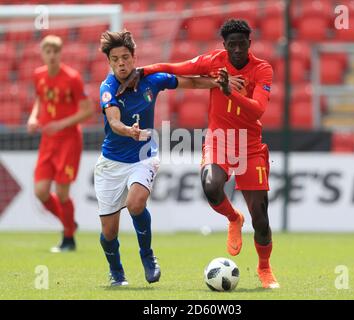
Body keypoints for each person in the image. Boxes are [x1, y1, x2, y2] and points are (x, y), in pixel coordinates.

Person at [117, 19, 279, 289]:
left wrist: (227, 90)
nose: (237, 49)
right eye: (232, 45)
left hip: (250, 145)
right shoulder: (214, 62)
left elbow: (258, 110)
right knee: (211, 185)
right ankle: (233, 218)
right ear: (224, 45)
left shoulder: (262, 69)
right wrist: (141, 70)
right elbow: (175, 67)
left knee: (261, 218)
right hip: (218, 141)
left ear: (249, 44)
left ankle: (264, 268)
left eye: (242, 44)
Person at [96, 30, 227, 286]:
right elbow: (113, 122)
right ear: (109, 62)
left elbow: (190, 82)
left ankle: (147, 256)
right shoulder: (108, 87)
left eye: (125, 57)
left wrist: (218, 83)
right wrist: (128, 130)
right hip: (111, 162)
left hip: (144, 155)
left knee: (136, 204)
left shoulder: (152, 80)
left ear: (134, 57)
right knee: (109, 232)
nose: (121, 63)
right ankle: (117, 272)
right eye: (115, 59)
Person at [27, 35, 93, 253]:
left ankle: (68, 238)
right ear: (43, 54)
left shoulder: (72, 78)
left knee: (62, 193)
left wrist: (60, 124)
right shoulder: (38, 76)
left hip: (69, 140)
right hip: (48, 140)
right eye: (48, 52)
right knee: (41, 191)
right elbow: (40, 100)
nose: (52, 55)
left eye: (55, 51)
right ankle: (69, 224)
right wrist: (33, 117)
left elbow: (87, 110)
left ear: (60, 53)